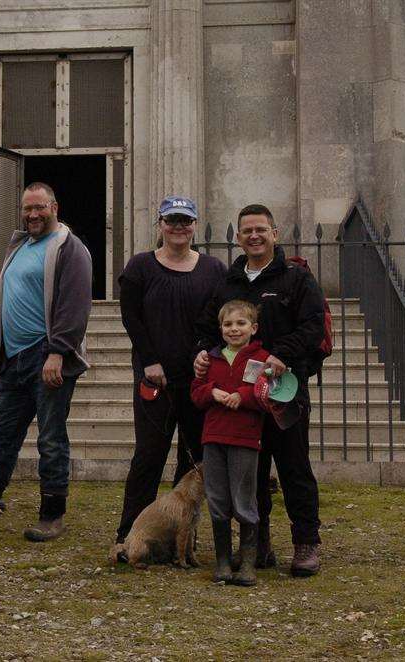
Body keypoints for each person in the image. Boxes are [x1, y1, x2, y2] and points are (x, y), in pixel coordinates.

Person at [0, 182, 93, 541]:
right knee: (4, 436)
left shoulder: (71, 249)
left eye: (40, 207)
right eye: (27, 208)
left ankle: (52, 514)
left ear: (54, 206)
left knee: (51, 439)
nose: (33, 214)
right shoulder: (20, 246)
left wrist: (58, 350)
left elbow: (75, 305)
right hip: (14, 358)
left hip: (48, 356)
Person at [194, 204, 325, 577]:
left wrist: (282, 354)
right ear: (238, 237)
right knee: (250, 472)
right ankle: (258, 543)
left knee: (294, 466)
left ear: (275, 234)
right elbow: (206, 328)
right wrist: (200, 355)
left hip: (284, 394)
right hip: (241, 398)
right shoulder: (228, 283)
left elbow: (312, 326)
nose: (254, 236)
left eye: (261, 230)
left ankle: (305, 544)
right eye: (247, 230)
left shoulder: (297, 280)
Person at [114, 196, 226, 551]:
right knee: (148, 456)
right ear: (160, 224)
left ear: (195, 225)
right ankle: (130, 534)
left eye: (186, 220)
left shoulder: (213, 270)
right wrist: (149, 360)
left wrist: (204, 355)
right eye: (172, 220)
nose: (179, 227)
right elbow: (132, 318)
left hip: (196, 379)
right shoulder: (140, 267)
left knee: (193, 463)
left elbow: (216, 321)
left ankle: (180, 539)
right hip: (155, 379)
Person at [190, 300, 269, 586]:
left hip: (245, 439)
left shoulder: (262, 358)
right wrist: (212, 392)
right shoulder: (211, 359)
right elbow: (196, 393)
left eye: (240, 323)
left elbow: (266, 394)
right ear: (220, 329)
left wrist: (243, 396)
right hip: (213, 437)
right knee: (218, 499)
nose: (234, 329)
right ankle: (222, 560)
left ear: (253, 327)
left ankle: (247, 562)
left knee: (244, 499)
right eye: (228, 324)